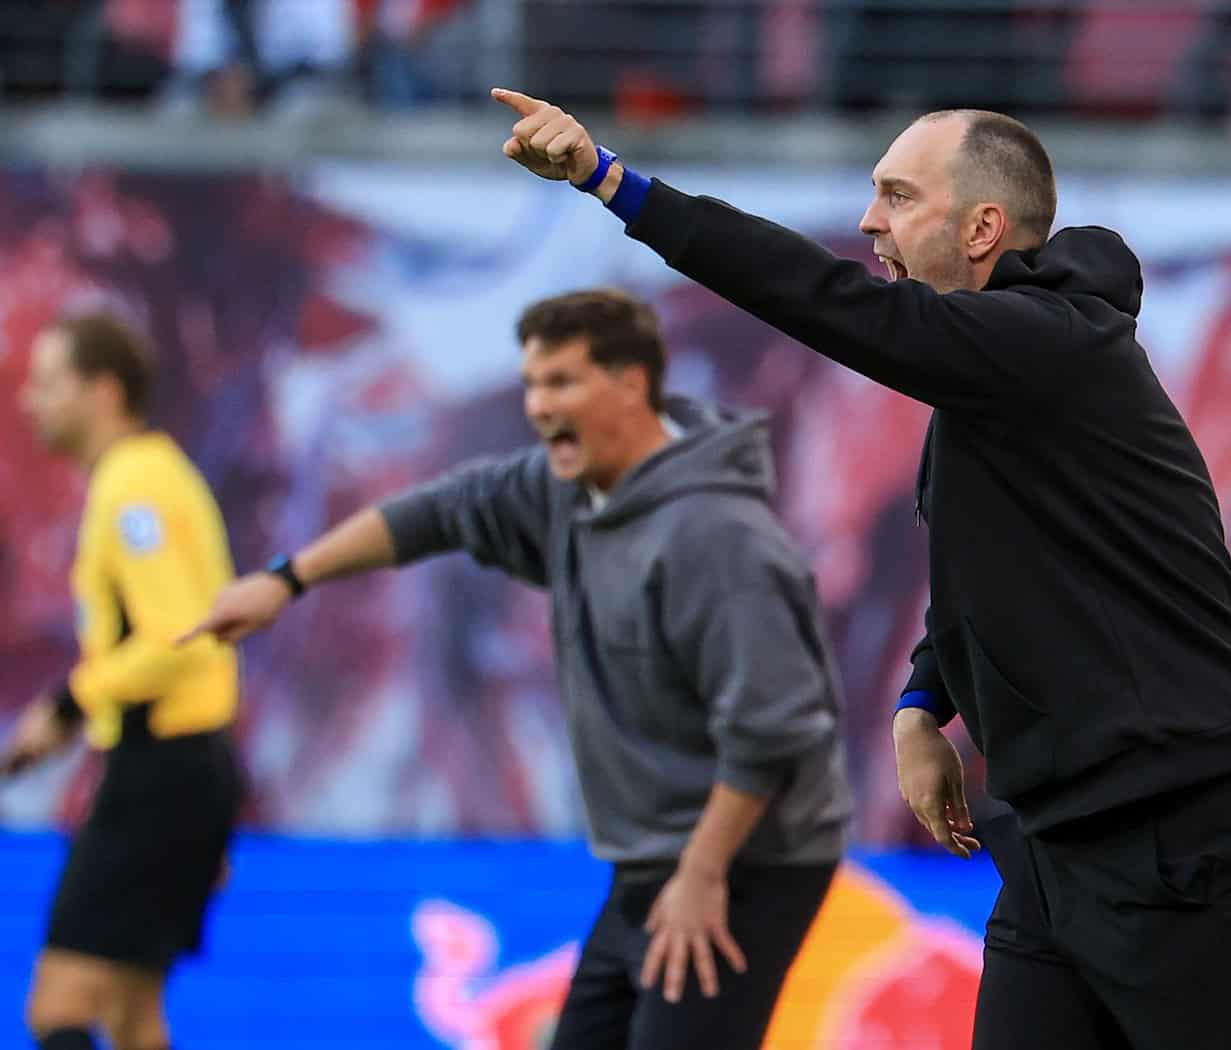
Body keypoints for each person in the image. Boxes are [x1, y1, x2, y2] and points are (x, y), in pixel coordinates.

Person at [488, 89, 1231, 1049]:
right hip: (1055, 847)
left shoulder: (1047, 350)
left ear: (982, 227)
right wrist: (925, 702)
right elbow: (991, 568)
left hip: (1171, 841)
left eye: (897, 195)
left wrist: (611, 182)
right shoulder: (1001, 376)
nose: (869, 221)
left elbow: (822, 298)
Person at [182, 288, 851, 1050]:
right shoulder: (567, 491)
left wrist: (702, 877)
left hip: (747, 858)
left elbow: (777, 733)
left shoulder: (720, 538)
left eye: (561, 382)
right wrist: (286, 579)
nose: (538, 406)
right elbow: (435, 512)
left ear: (633, 384)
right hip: (654, 855)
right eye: (532, 384)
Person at [3, 313, 243, 1050]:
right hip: (184, 767)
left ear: (103, 391)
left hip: (160, 775)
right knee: (135, 1019)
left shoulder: (134, 485)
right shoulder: (147, 473)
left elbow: (179, 637)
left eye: (48, 383)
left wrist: (68, 702)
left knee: (58, 1009)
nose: (28, 401)